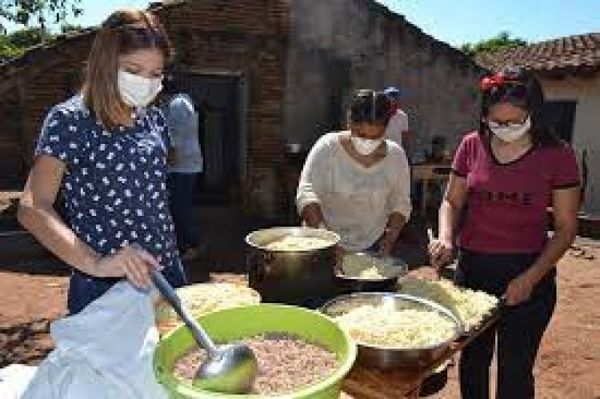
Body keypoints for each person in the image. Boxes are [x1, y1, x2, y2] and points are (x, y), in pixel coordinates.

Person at [17, 9, 187, 315]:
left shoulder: (153, 119)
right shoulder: (70, 120)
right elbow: (32, 207)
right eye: (133, 71)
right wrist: (96, 264)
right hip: (103, 284)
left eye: (155, 74)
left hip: (165, 272)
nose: (145, 82)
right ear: (105, 65)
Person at [429, 68, 580, 399]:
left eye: (515, 122)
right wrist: (445, 236)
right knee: (473, 362)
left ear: (534, 115)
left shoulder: (558, 154)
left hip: (530, 269)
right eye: (496, 122)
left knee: (515, 368)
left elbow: (567, 227)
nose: (504, 130)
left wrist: (531, 278)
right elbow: (451, 201)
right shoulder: (471, 145)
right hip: (474, 271)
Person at [296, 89, 411, 255]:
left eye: (376, 136)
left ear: (386, 129)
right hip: (321, 241)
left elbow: (401, 202)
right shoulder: (328, 148)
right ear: (349, 122)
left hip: (372, 244)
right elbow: (307, 194)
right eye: (361, 134)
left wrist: (388, 240)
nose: (368, 142)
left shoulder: (396, 156)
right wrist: (327, 241)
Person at [162, 85, 203, 261]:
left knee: (180, 208)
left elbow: (174, 137)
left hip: (181, 166)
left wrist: (167, 163)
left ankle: (189, 246)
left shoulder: (177, 104)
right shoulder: (182, 102)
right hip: (184, 164)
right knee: (181, 207)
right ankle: (187, 245)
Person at [383, 86, 410, 152]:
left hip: (397, 151)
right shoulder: (380, 115)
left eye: (395, 99)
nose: (392, 102)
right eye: (390, 99)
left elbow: (405, 136)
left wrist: (405, 152)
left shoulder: (402, 116)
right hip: (383, 151)